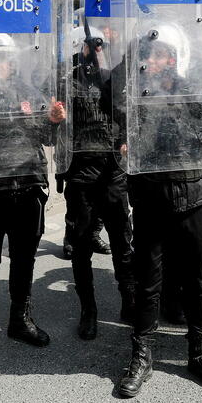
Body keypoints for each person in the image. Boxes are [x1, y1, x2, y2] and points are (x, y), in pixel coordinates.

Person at [113, 24, 202, 398]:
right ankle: (142, 355)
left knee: (195, 283)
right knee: (149, 284)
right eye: (149, 54)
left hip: (193, 198)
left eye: (162, 53)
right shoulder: (134, 93)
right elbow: (117, 118)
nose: (155, 60)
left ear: (177, 56)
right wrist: (123, 147)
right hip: (151, 201)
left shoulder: (195, 91)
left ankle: (199, 352)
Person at [0, 33, 66, 362]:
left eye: (2, 56)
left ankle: (20, 320)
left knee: (23, 259)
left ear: (13, 60)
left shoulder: (28, 92)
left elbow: (47, 137)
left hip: (27, 188)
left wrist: (56, 121)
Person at [62, 28, 135, 340]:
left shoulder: (111, 77)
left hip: (113, 170)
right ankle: (88, 310)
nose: (97, 49)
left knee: (123, 240)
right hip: (81, 172)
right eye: (92, 44)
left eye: (101, 45)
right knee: (81, 246)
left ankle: (129, 301)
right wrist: (55, 118)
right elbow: (53, 117)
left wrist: (126, 139)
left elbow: (126, 112)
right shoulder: (66, 81)